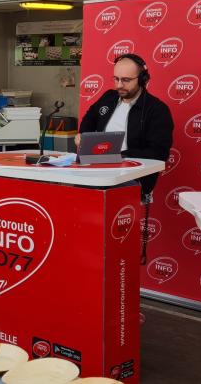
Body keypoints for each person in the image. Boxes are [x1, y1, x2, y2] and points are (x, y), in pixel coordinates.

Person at [77, 53, 173, 263]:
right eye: (116, 79)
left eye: (126, 80)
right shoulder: (108, 98)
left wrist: (120, 155)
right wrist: (82, 136)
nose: (119, 85)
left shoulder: (157, 110)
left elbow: (158, 153)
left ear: (143, 79)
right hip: (95, 171)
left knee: (112, 236)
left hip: (130, 178)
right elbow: (88, 120)